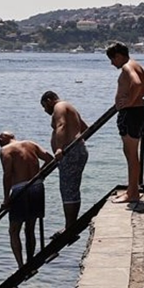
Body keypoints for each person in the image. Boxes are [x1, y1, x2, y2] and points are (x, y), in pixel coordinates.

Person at [106, 42, 144, 203]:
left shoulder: (128, 67)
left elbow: (138, 83)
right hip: (138, 112)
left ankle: (132, 193)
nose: (112, 63)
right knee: (132, 154)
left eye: (112, 59)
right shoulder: (136, 65)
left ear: (119, 56)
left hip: (131, 113)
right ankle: (132, 190)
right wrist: (138, 97)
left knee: (131, 155)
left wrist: (129, 101)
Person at [0, 131, 54, 269]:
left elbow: (7, 175)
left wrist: (6, 199)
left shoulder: (5, 150)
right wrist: (40, 175)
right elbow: (50, 159)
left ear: (2, 139)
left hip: (20, 190)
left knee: (14, 230)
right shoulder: (31, 144)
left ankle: (20, 265)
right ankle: (31, 261)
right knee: (30, 228)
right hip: (37, 186)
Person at [41, 91, 89, 233]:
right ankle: (71, 223)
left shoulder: (59, 107)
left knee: (67, 189)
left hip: (70, 152)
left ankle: (69, 226)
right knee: (72, 188)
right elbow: (85, 128)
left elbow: (61, 125)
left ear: (49, 100)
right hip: (77, 150)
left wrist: (60, 149)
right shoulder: (69, 107)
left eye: (44, 106)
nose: (45, 111)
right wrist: (79, 143)